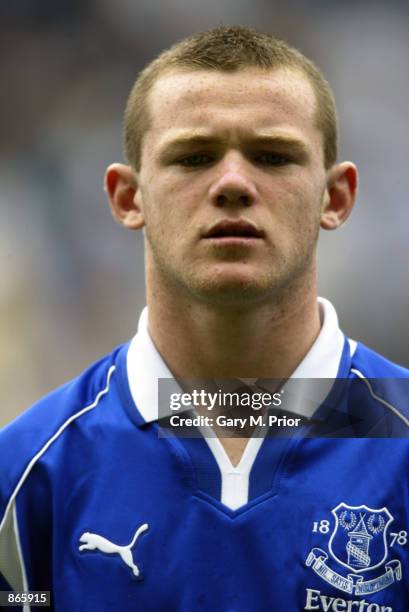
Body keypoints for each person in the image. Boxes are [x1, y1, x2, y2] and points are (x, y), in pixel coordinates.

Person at [1, 25, 408, 612]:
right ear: (127, 198)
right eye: (194, 157)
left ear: (335, 197)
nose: (234, 184)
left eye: (273, 156)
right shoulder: (25, 476)